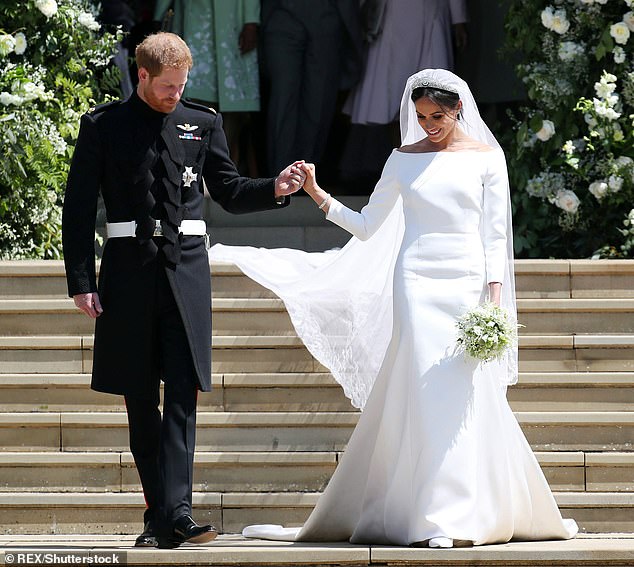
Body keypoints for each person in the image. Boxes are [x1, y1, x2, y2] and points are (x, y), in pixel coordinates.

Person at [210, 69, 578, 546]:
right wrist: (318, 194)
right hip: (416, 282)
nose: (429, 125)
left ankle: (466, 510)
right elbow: (366, 225)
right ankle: (432, 517)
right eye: (422, 116)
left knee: (465, 391)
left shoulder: (487, 158)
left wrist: (493, 300)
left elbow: (495, 234)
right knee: (424, 390)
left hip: (466, 283)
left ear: (458, 110)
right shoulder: (402, 160)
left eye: (438, 116)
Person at [62, 32, 305, 549]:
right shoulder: (103, 126)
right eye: (167, 86)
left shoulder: (204, 121)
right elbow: (78, 209)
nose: (175, 94)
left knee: (183, 394)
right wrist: (81, 282)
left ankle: (179, 512)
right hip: (127, 273)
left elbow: (230, 191)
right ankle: (159, 516)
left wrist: (276, 188)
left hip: (187, 271)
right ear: (142, 76)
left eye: (181, 85)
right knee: (138, 397)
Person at [154, 0, 262, 174]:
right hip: (194, 17)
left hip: (232, 19)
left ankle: (227, 173)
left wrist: (251, 21)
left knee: (233, 109)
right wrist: (159, 16)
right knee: (189, 94)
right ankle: (188, 172)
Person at [259, 0, 363, 176]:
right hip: (281, 16)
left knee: (318, 101)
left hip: (326, 16)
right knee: (283, 99)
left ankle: (306, 176)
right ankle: (280, 176)